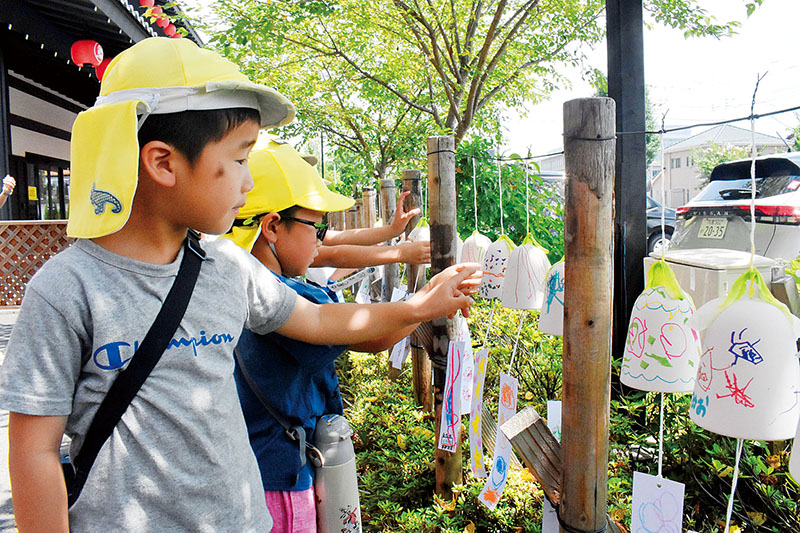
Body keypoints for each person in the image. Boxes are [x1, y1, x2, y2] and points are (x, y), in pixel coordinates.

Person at [0, 37, 478, 533]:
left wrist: (421, 304)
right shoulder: (65, 292)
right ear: (164, 162)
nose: (248, 185)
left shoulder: (226, 264)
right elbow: (33, 453)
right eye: (240, 158)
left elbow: (317, 318)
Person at [224, 139, 446, 532]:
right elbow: (371, 337)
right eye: (317, 226)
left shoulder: (235, 278)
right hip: (282, 481)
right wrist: (427, 301)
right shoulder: (283, 296)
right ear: (272, 225)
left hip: (255, 463)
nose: (322, 238)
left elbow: (329, 250)